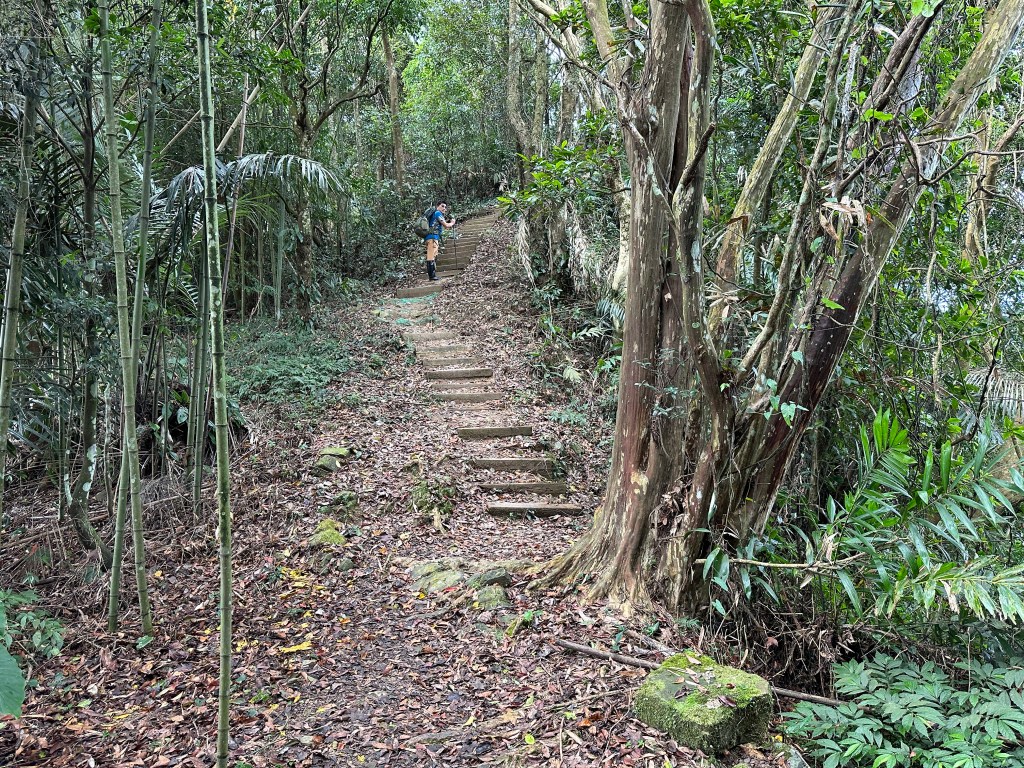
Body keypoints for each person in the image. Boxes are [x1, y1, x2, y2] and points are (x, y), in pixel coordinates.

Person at [424, 202, 456, 281]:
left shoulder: (434, 214)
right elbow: (446, 225)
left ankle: (433, 275)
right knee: (431, 256)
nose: (444, 208)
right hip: (432, 237)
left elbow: (444, 226)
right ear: (437, 206)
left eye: (445, 207)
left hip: (432, 237)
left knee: (432, 255)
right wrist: (452, 222)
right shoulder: (437, 213)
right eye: (442, 206)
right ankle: (432, 276)